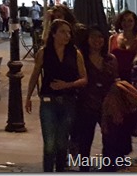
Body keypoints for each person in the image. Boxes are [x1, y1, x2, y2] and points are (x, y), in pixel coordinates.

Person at [25, 19, 88, 172]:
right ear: (53, 34)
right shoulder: (44, 52)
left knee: (62, 143)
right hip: (48, 101)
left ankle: (60, 170)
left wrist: (67, 85)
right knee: (49, 144)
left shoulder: (74, 53)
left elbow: (84, 79)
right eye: (62, 32)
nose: (67, 36)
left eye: (68, 32)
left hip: (68, 101)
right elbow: (35, 75)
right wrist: (28, 97)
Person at [71, 27, 118, 172]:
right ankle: (83, 169)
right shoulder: (81, 58)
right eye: (93, 37)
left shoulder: (110, 59)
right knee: (84, 141)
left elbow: (115, 79)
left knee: (109, 140)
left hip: (106, 105)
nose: (97, 41)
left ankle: (107, 168)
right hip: (86, 105)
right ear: (87, 40)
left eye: (100, 37)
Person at [109, 10, 137, 82]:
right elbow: (109, 59)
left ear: (135, 23)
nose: (127, 23)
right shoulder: (112, 38)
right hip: (116, 78)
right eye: (124, 20)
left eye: (130, 21)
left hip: (135, 79)